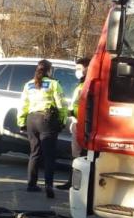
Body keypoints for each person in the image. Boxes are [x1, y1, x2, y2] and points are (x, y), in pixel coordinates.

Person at [16, 59, 67, 198]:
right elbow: (61, 105)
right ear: (49, 70)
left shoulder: (28, 85)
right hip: (46, 120)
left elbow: (23, 105)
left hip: (31, 119)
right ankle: (49, 186)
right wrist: (63, 120)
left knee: (34, 153)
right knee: (49, 155)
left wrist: (21, 122)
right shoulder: (54, 84)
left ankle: (31, 185)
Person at [58, 57, 91, 190]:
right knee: (76, 155)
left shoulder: (87, 85)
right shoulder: (81, 84)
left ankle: (75, 182)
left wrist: (73, 113)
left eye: (79, 68)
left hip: (82, 124)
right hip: (77, 123)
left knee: (79, 156)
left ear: (87, 68)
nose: (77, 71)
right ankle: (72, 181)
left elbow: (81, 105)